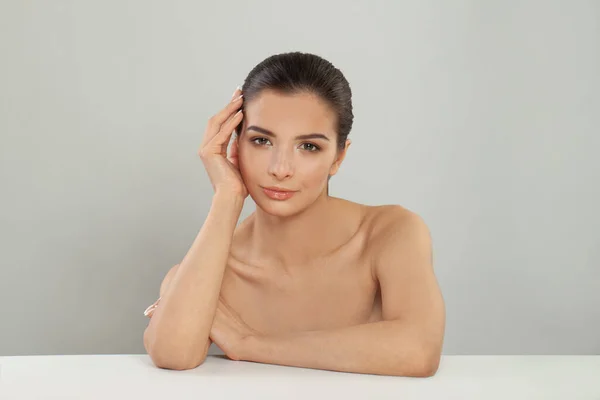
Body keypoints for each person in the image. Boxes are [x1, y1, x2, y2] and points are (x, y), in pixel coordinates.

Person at [143, 51, 446, 377]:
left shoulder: (390, 234)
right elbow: (172, 354)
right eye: (261, 141)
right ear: (235, 145)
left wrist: (249, 344)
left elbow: (419, 350)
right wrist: (227, 197)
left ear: (338, 157)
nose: (281, 169)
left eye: (309, 146)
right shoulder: (211, 268)